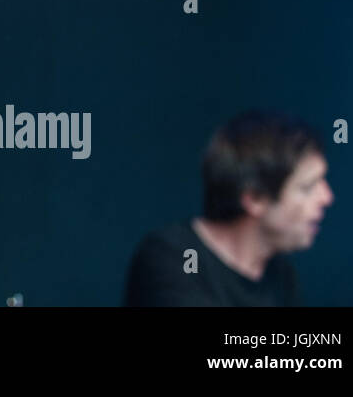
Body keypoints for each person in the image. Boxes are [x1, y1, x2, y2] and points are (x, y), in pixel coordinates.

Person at [123, 110, 333, 306]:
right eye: (307, 188)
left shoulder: (282, 276)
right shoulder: (170, 256)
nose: (327, 198)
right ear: (255, 199)